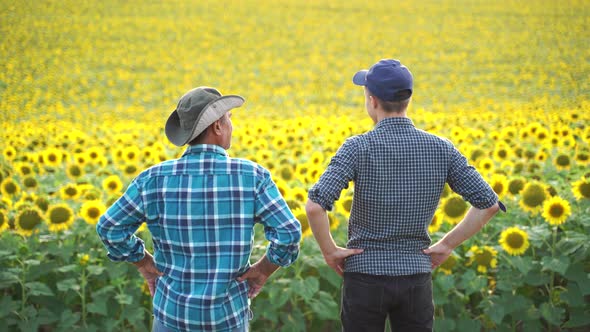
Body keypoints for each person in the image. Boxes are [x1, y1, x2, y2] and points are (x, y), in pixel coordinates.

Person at [305, 59, 505, 332]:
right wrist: (446, 244)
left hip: (365, 275)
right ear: (407, 100)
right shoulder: (441, 148)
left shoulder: (357, 147)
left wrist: (330, 252)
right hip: (416, 275)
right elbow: (489, 204)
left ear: (372, 100)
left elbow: (315, 206)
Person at [96, 86, 302, 332]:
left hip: (171, 316)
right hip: (227, 317)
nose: (231, 127)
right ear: (217, 126)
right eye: (229, 120)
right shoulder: (252, 176)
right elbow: (289, 232)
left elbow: (109, 227)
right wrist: (264, 269)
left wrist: (143, 262)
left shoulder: (153, 178)